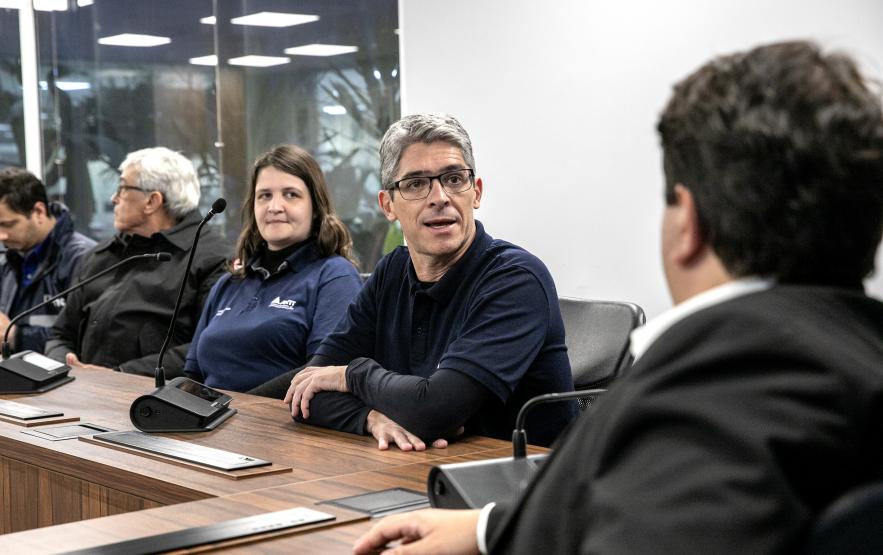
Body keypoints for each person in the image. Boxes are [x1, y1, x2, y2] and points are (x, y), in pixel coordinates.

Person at [353, 41, 883, 554]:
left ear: (688, 224)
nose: (439, 198)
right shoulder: (853, 358)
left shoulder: (704, 395)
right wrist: (488, 530)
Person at [252, 113, 574, 449]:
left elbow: (436, 410)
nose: (440, 197)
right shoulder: (392, 271)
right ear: (388, 205)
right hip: (420, 465)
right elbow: (308, 388)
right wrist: (369, 417)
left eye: (454, 179)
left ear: (476, 193)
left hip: (523, 476)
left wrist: (351, 375)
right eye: (416, 184)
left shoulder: (516, 280)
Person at [183, 145, 362, 392]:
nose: (274, 206)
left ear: (315, 207)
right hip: (213, 414)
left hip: (281, 415)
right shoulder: (228, 283)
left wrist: (237, 408)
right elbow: (192, 376)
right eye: (264, 196)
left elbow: (323, 372)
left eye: (291, 194)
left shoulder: (334, 276)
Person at [45, 147, 229, 376]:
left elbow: (208, 347)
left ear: (152, 201)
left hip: (155, 394)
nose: (113, 198)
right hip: (81, 387)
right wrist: (65, 367)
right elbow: (60, 335)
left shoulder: (213, 259)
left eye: (122, 188)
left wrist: (119, 376)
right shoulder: (100, 255)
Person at [0, 167, 94, 354]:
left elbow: (90, 337)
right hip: (5, 369)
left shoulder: (85, 259)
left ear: (39, 212)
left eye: (7, 224)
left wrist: (17, 338)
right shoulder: (5, 263)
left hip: (61, 372)